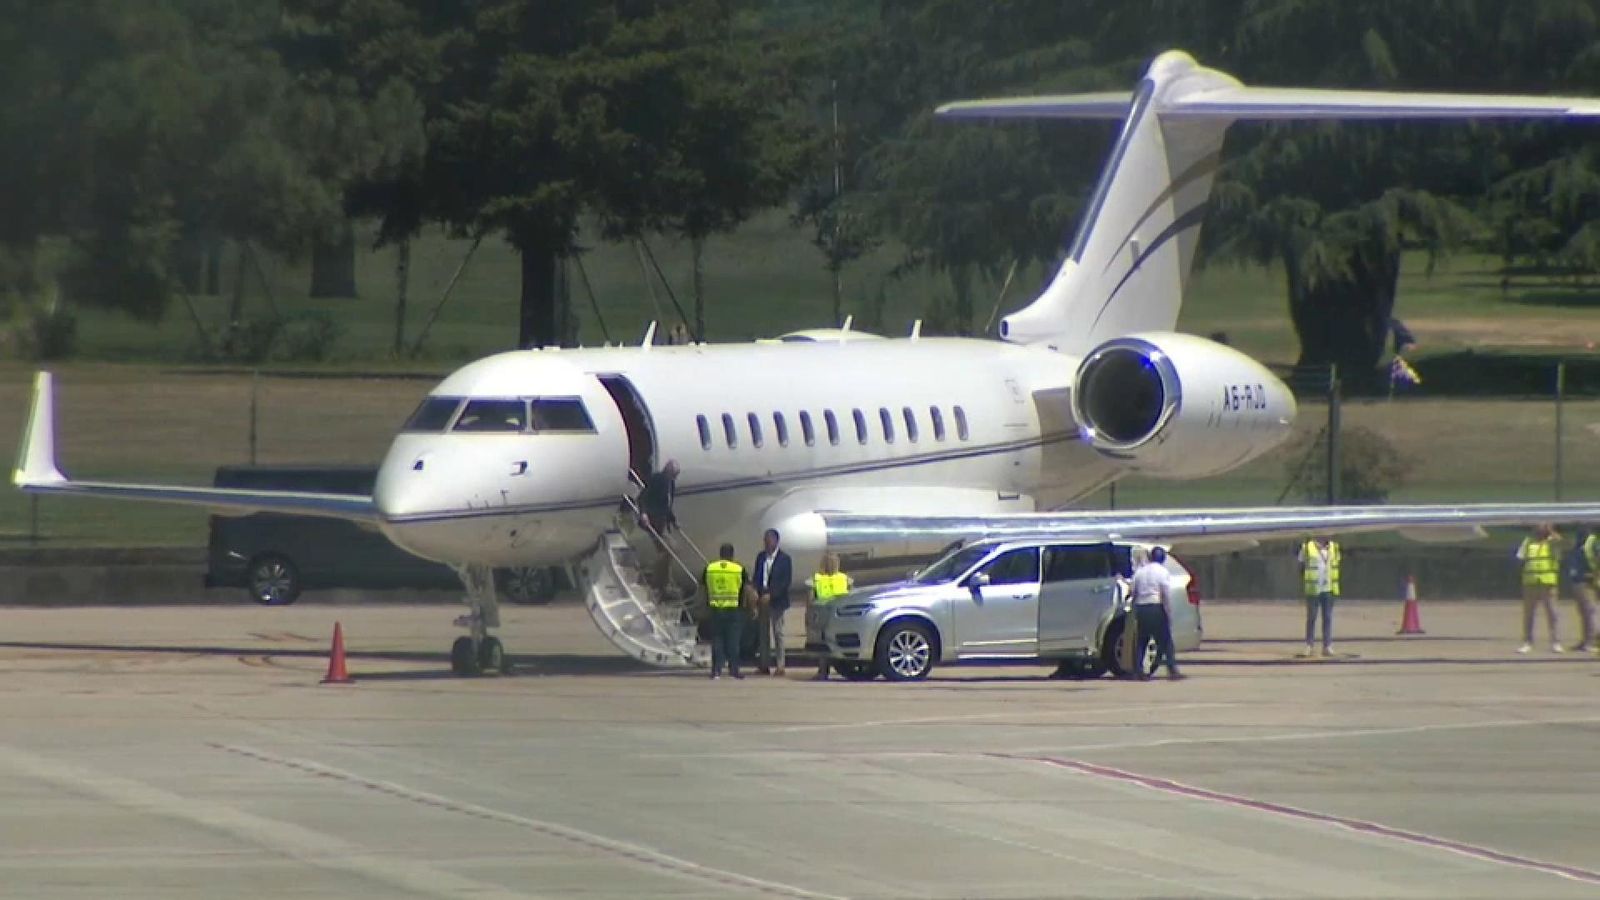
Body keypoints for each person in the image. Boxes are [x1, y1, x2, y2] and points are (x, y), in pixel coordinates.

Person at [1130, 546, 1184, 680]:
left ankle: (1138, 670)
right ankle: (1172, 670)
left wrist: (1134, 610)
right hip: (1155, 606)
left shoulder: (1140, 572)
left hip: (1141, 607)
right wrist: (1168, 612)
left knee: (1142, 641)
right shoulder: (1162, 572)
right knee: (1166, 641)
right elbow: (1165, 593)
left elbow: (1133, 593)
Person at [805, 553, 854, 680]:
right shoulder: (819, 579)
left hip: (832, 613)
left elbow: (810, 600)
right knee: (827, 643)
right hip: (831, 614)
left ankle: (829, 670)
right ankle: (826, 670)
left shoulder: (841, 578)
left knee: (830, 643)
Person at [1515, 524, 1562, 654]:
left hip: (1548, 584)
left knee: (1552, 614)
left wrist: (1552, 532)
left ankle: (1555, 642)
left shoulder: (1553, 543)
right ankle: (1527, 642)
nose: (1540, 530)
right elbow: (1520, 557)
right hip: (1531, 583)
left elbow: (1560, 543)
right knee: (1529, 614)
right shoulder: (1528, 542)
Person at [752, 528, 793, 676]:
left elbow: (785, 582)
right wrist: (755, 592)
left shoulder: (785, 559)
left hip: (777, 601)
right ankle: (764, 665)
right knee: (763, 634)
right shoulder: (761, 557)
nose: (766, 543)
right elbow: (756, 576)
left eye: (769, 540)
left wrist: (772, 595)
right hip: (762, 599)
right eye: (765, 541)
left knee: (778, 632)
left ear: (776, 541)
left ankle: (780, 665)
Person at [703, 543, 746, 680]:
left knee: (717, 640)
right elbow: (744, 588)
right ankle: (734, 670)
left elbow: (703, 585)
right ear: (732, 555)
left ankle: (716, 671)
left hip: (716, 609)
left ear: (720, 554)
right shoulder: (738, 569)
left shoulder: (710, 568)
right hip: (733, 609)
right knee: (733, 641)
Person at [637, 460, 680, 589]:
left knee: (672, 550)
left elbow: (667, 505)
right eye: (674, 474)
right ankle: (654, 578)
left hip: (661, 522)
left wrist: (673, 521)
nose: (675, 477)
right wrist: (643, 513)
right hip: (651, 521)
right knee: (668, 550)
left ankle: (663, 581)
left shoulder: (670, 483)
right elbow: (642, 497)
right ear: (668, 471)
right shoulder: (656, 479)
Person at [1298, 536, 1341, 657]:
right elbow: (1301, 567)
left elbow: (1336, 565)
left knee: (1327, 617)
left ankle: (1327, 646)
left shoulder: (1334, 547)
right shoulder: (1307, 547)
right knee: (1311, 617)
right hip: (1313, 588)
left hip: (1328, 588)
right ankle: (1309, 645)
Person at [1569, 529, 1599, 653]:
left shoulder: (1592, 541)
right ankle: (1585, 639)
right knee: (1583, 612)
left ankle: (1590, 641)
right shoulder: (1578, 541)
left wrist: (1595, 575)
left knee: (1589, 612)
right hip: (1577, 581)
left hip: (1588, 581)